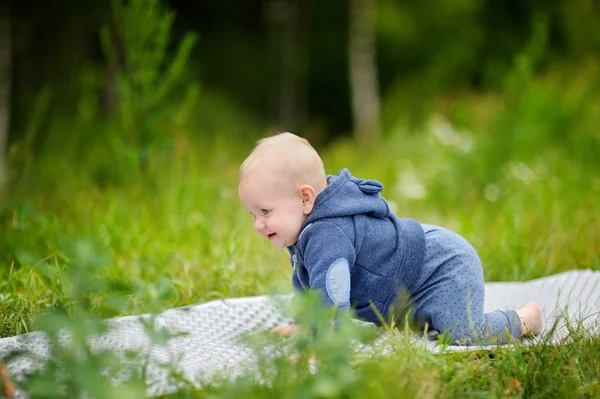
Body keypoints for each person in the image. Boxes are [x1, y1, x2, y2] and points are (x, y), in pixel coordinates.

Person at [238, 132, 543, 344]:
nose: (258, 224)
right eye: (254, 214)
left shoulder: (327, 232)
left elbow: (330, 296)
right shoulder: (304, 225)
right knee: (418, 328)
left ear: (306, 198)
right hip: (411, 285)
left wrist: (323, 348)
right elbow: (308, 283)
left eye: (265, 211)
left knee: (462, 334)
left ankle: (526, 319)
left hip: (444, 267)